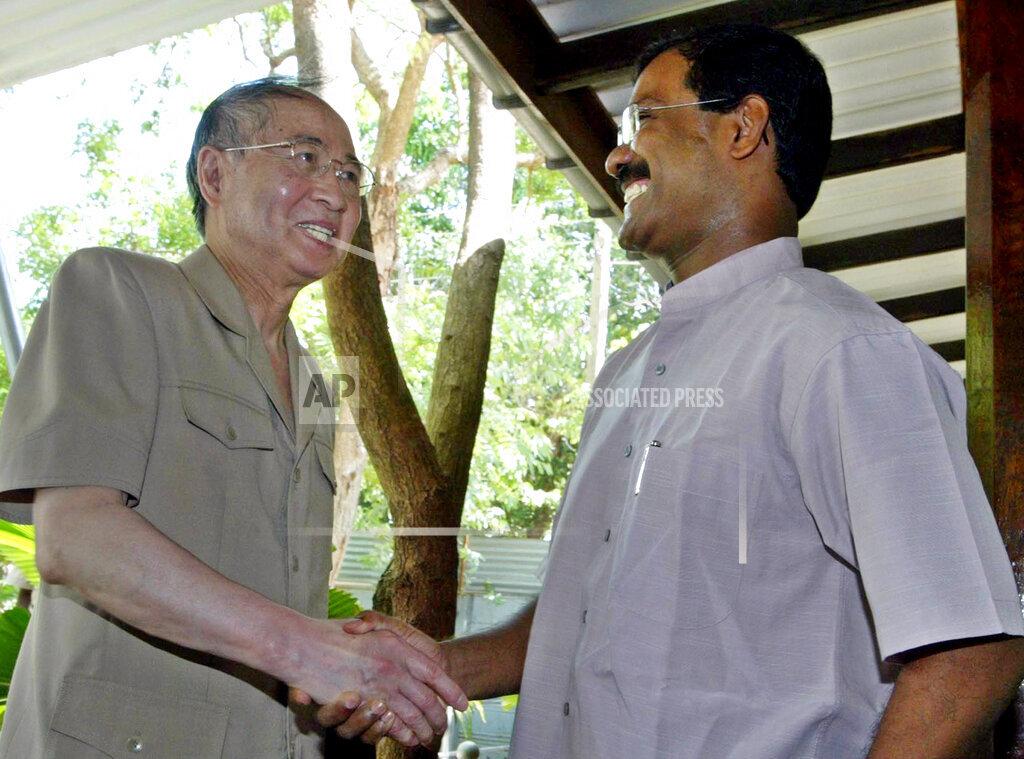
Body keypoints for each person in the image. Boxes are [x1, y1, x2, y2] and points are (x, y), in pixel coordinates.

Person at [323, 23, 1024, 758]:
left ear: (744, 128)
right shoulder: (626, 372)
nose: (618, 152)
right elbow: (584, 612)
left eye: (646, 118)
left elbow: (972, 651)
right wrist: (431, 666)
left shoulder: (843, 350)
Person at [0, 77, 466, 759]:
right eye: (304, 157)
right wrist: (306, 648)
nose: (336, 192)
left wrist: (366, 673)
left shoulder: (316, 380)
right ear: (215, 173)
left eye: (348, 173)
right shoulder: (119, 292)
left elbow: (287, 590)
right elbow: (76, 538)